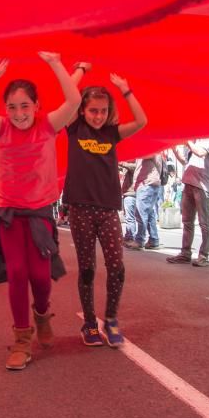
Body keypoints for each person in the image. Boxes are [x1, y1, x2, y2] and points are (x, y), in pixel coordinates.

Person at [0, 51, 80, 370]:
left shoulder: (47, 125)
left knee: (41, 277)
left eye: (25, 106)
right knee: (17, 273)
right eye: (12, 107)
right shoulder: (1, 128)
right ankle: (21, 339)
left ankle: (42, 313)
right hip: (8, 213)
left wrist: (57, 64)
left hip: (40, 211)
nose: (19, 113)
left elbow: (72, 103)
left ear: (36, 106)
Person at [62, 68, 147, 347]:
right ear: (83, 111)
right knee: (87, 268)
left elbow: (142, 121)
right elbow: (68, 97)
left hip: (108, 210)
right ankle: (89, 323)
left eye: (103, 111)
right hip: (80, 209)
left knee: (117, 266)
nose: (97, 116)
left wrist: (125, 90)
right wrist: (79, 70)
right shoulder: (75, 128)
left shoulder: (112, 133)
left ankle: (110, 319)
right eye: (93, 110)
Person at [166, 138, 209, 267]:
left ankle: (203, 255)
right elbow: (186, 161)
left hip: (202, 186)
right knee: (187, 222)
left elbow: (201, 153)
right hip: (189, 183)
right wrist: (175, 150)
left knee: (203, 222)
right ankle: (185, 253)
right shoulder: (197, 140)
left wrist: (188, 142)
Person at [130, 154, 164, 250]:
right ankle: (154, 239)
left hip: (146, 183)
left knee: (141, 214)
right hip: (149, 184)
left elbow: (146, 154)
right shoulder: (153, 149)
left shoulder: (150, 149)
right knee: (149, 213)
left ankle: (139, 240)